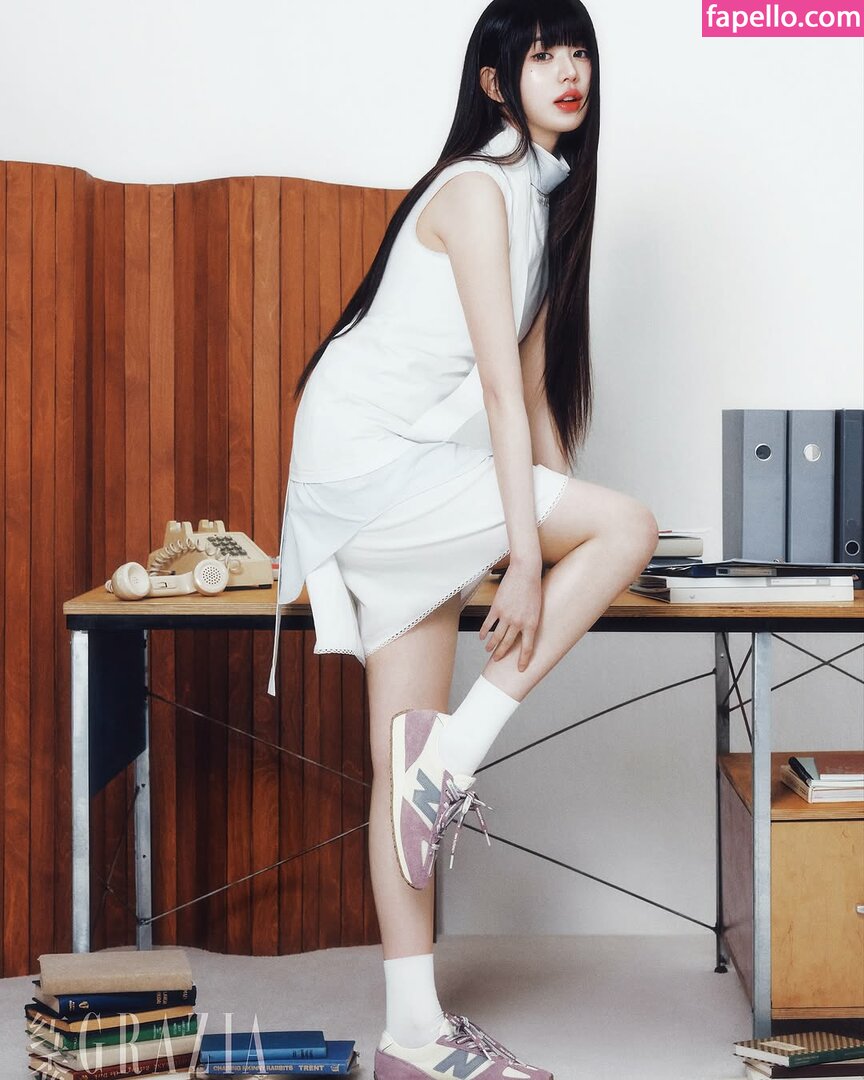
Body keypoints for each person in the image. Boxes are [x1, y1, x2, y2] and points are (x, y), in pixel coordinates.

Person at [270, 1, 659, 1076]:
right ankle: (450, 763)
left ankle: (411, 1034)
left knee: (400, 759)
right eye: (542, 55)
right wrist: (535, 556)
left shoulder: (539, 200)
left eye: (578, 51)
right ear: (496, 81)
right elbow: (492, 387)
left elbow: (529, 392)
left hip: (401, 475)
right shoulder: (479, 191)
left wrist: (560, 515)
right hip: (375, 469)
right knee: (631, 527)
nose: (569, 70)